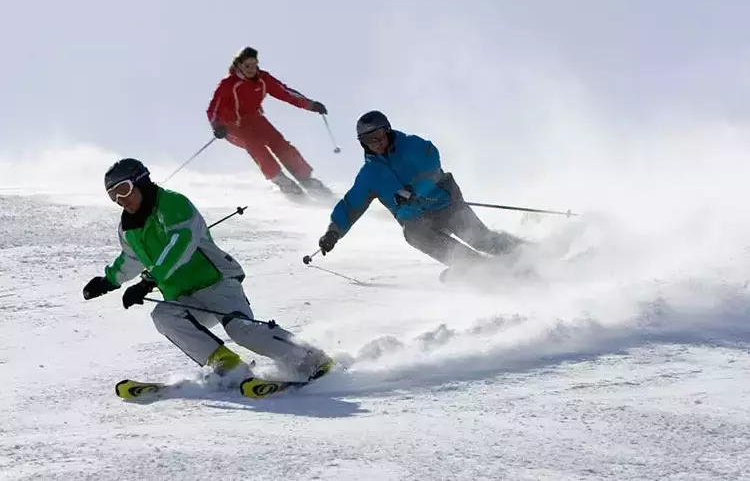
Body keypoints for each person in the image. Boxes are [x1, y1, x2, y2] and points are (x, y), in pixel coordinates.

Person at [82, 157, 332, 381]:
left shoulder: (172, 204)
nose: (121, 200)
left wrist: (148, 281)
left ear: (141, 182)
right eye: (113, 195)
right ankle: (227, 364)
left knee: (240, 329)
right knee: (164, 316)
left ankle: (311, 359)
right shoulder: (128, 227)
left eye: (123, 189)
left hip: (216, 282)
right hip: (183, 294)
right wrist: (109, 281)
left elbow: (179, 246)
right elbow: (131, 257)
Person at [316, 110, 527, 280]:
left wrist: (414, 189)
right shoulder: (369, 175)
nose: (377, 142)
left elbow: (431, 163)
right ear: (362, 142)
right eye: (369, 139)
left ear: (387, 131)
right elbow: (351, 205)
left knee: (480, 239)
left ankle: (526, 252)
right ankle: (474, 266)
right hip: (418, 219)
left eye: (379, 135)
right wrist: (333, 232)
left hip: (444, 203)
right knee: (413, 234)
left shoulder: (410, 145)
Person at [206, 46, 333, 201]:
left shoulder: (263, 79)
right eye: (247, 66)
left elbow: (285, 93)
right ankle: (280, 180)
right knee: (255, 145)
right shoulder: (228, 84)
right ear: (239, 65)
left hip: (256, 120)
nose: (251, 70)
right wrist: (217, 126)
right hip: (233, 127)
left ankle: (306, 179)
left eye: (254, 65)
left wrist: (311, 105)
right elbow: (213, 109)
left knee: (280, 143)